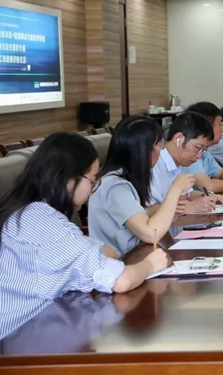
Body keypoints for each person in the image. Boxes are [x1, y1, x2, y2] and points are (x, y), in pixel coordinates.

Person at [0, 133, 169, 338]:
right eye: (92, 180)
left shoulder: (28, 212)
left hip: (34, 329)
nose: (92, 190)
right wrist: (150, 264)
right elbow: (121, 280)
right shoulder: (41, 219)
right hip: (20, 338)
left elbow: (104, 253)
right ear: (70, 179)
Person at [88, 117, 197, 257]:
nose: (161, 148)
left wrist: (172, 250)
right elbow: (151, 233)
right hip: (120, 264)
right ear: (144, 149)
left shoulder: (130, 179)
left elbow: (152, 222)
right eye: (159, 143)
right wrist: (176, 189)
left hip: (139, 257)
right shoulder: (114, 186)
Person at [148, 112, 223, 213]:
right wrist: (188, 207)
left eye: (203, 150)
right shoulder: (154, 164)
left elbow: (188, 194)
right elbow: (147, 210)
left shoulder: (176, 165)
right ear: (178, 139)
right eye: (198, 148)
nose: (199, 156)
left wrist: (209, 196)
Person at [182, 102, 223, 192]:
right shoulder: (190, 153)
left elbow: (220, 173)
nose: (222, 129)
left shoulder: (205, 152)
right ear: (207, 127)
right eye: (220, 124)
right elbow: (207, 187)